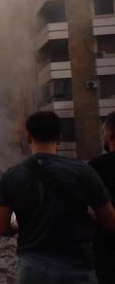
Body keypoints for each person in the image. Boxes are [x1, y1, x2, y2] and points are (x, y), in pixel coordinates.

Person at [0, 111, 115, 284]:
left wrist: (18, 225)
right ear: (59, 138)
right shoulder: (83, 171)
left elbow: (0, 228)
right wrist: (87, 220)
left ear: (29, 137)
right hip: (76, 268)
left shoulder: (11, 176)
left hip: (32, 269)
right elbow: (110, 222)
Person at [89, 111, 115, 283]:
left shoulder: (96, 167)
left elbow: (87, 213)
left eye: (103, 132)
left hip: (108, 255)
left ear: (111, 133)